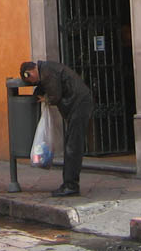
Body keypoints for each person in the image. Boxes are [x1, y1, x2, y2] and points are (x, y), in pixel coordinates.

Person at [19, 59, 93, 197]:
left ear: (29, 73)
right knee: (71, 145)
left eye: (30, 80)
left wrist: (46, 99)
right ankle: (70, 184)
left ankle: (71, 185)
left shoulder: (47, 72)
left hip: (79, 105)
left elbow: (55, 96)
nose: (33, 83)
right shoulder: (46, 69)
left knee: (72, 147)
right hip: (78, 105)